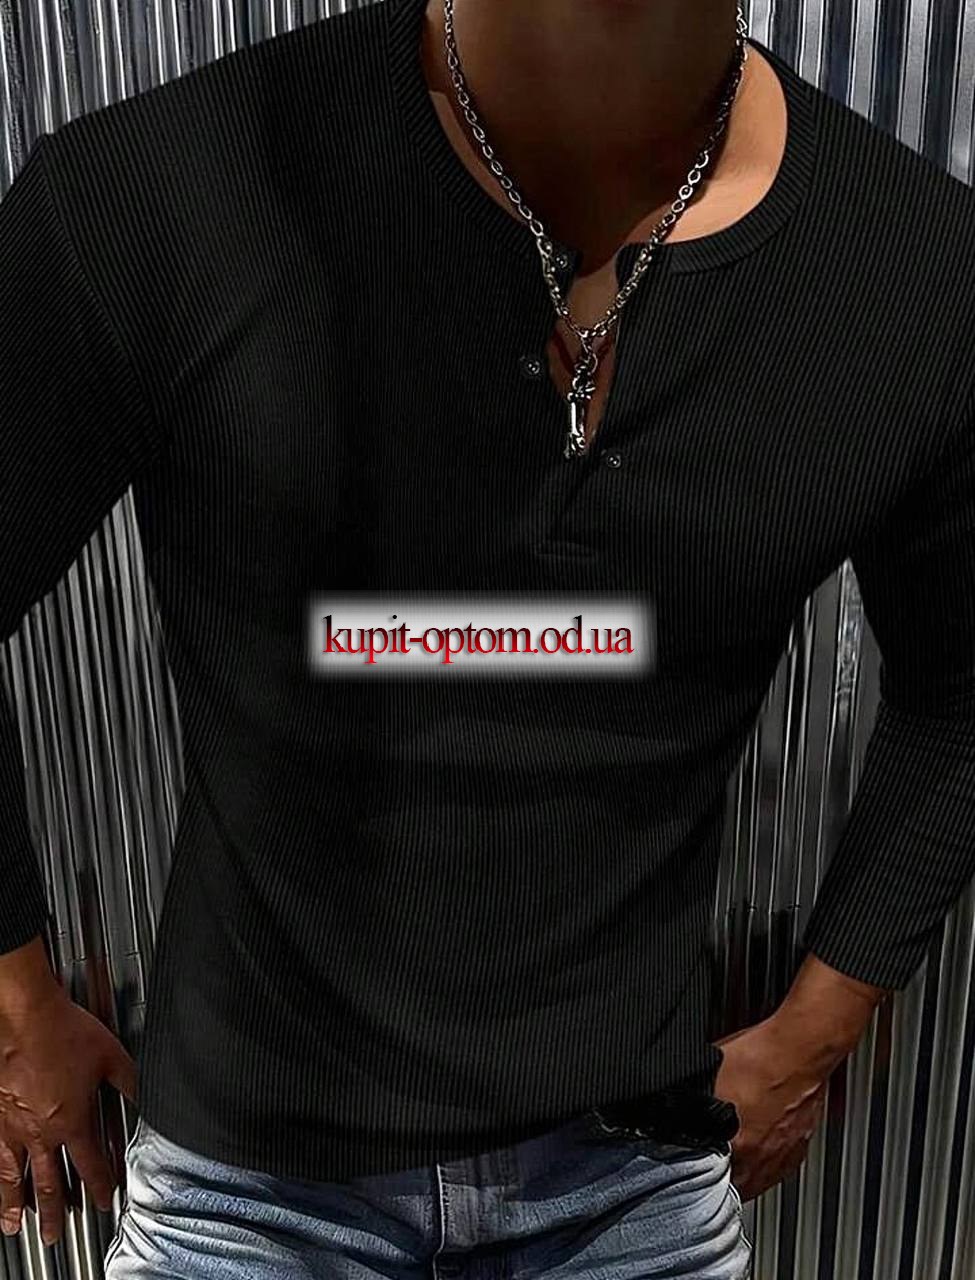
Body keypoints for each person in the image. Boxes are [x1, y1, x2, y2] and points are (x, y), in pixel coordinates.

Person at [0, 0, 973, 1274]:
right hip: (248, 1188)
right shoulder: (164, 188)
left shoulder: (914, 275)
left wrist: (818, 1029)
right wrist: (17, 1004)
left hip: (631, 1183)